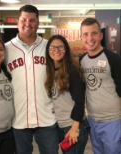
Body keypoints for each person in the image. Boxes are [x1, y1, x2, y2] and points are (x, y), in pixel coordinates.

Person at [0, 5, 59, 154]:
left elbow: (66, 64)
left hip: (47, 117)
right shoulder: (6, 49)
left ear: (38, 23)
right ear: (18, 22)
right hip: (18, 120)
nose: (27, 24)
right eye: (24, 20)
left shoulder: (49, 47)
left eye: (32, 20)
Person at [79, 17, 121, 154]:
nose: (90, 38)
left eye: (94, 33)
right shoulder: (82, 60)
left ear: (101, 35)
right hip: (93, 120)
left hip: (113, 120)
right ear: (81, 37)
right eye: (85, 34)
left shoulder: (113, 58)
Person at [45, 34, 89, 154]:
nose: (56, 50)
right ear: (48, 50)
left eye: (60, 47)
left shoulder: (72, 70)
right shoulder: (52, 71)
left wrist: (75, 129)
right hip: (61, 126)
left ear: (66, 49)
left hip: (73, 126)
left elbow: (80, 102)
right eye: (52, 47)